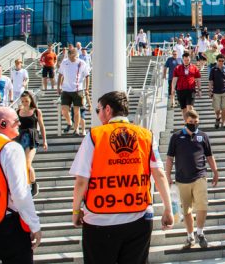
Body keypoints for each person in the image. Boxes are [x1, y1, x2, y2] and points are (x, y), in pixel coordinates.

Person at [70, 91, 174, 263]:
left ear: (108, 110)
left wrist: (75, 210)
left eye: (98, 110)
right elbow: (159, 174)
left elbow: (81, 181)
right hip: (137, 218)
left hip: (99, 219)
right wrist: (168, 209)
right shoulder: (145, 135)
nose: (98, 114)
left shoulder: (95, 136)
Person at [0, 106, 42, 262]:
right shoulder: (10, 148)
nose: (20, 125)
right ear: (3, 124)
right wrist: (34, 225)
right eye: (16, 121)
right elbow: (20, 192)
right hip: (7, 223)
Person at [166, 109, 219, 249]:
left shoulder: (203, 136)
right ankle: (190, 236)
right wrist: (167, 176)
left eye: (196, 122)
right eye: (191, 122)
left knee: (202, 206)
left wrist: (215, 171)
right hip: (181, 179)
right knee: (186, 210)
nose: (194, 124)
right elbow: (170, 158)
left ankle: (200, 233)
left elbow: (209, 156)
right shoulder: (176, 137)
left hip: (199, 176)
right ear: (185, 121)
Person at [15, 91, 47, 197]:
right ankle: (31, 183)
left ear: (31, 100)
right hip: (20, 139)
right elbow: (14, 126)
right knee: (23, 164)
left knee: (27, 164)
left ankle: (32, 185)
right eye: (23, 101)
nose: (25, 103)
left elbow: (41, 126)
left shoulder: (36, 111)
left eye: (27, 101)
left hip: (32, 139)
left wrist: (45, 141)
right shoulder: (18, 111)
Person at [57, 49, 91, 136]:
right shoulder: (65, 62)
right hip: (66, 89)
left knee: (77, 111)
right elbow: (60, 74)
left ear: (76, 55)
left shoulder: (82, 63)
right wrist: (58, 87)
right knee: (64, 110)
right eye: (69, 56)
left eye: (73, 56)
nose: (71, 58)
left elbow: (87, 76)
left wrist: (86, 88)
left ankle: (76, 130)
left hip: (78, 89)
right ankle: (69, 123)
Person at [172, 52, 202, 121]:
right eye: (185, 60)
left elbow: (198, 79)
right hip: (180, 90)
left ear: (190, 59)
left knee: (190, 107)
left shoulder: (194, 68)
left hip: (191, 89)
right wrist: (173, 89)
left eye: (188, 60)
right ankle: (187, 123)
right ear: (182, 59)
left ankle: (195, 119)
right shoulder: (178, 68)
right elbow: (174, 79)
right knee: (184, 109)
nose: (186, 61)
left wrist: (199, 90)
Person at [209, 54, 225, 129]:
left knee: (224, 108)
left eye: (222, 61)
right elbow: (211, 81)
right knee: (217, 109)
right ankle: (218, 117)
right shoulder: (213, 69)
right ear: (217, 61)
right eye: (219, 61)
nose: (221, 62)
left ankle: (223, 122)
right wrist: (210, 90)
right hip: (216, 91)